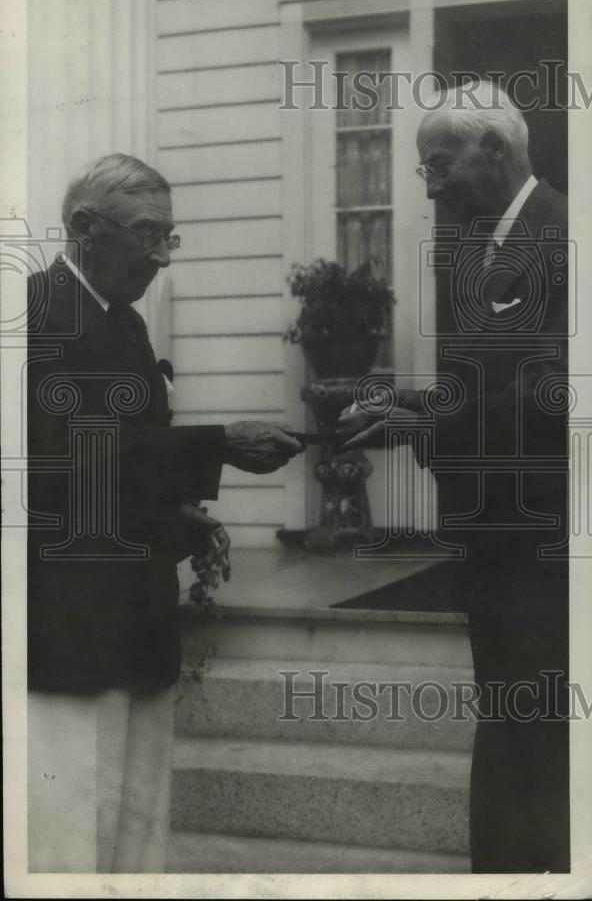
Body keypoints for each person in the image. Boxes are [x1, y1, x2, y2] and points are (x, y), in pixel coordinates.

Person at [27, 153, 304, 873]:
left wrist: (186, 522)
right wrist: (218, 446)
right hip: (71, 630)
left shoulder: (126, 328)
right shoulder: (34, 315)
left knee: (137, 832)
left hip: (138, 622)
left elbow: (129, 461)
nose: (160, 255)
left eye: (168, 238)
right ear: (85, 227)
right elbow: (67, 465)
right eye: (148, 233)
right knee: (70, 839)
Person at [339, 82, 569, 873]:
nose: (427, 184)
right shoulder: (479, 247)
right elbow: (487, 386)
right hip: (495, 547)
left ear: (496, 151)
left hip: (553, 546)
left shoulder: (568, 235)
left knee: (541, 737)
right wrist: (405, 402)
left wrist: (432, 421)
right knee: (508, 723)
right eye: (420, 169)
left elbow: (558, 388)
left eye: (438, 165)